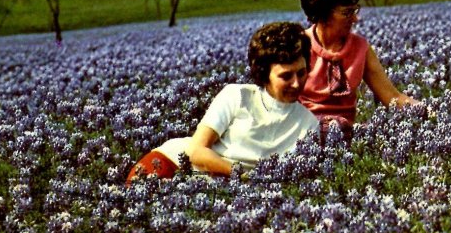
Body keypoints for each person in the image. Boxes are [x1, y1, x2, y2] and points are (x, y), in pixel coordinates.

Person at [126, 21, 319, 186]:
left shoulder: (308, 124)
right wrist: (243, 175)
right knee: (132, 201)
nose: (296, 82)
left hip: (224, 191)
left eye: (301, 73)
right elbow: (196, 151)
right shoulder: (237, 95)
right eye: (286, 76)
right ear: (264, 74)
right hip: (172, 162)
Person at [298, 0, 418, 137]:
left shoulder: (360, 48)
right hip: (304, 136)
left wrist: (428, 111)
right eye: (347, 13)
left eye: (355, 10)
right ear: (322, 12)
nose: (355, 19)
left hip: (347, 135)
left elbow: (392, 98)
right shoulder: (298, 45)